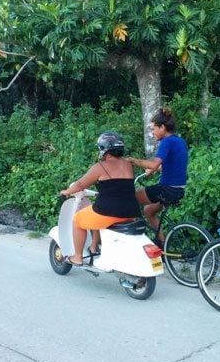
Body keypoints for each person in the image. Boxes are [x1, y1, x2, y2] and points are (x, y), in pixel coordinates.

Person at [59, 131, 141, 266]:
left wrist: (66, 192)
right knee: (93, 212)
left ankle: (77, 257)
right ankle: (93, 246)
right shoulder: (127, 164)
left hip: (108, 213)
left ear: (104, 150)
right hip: (130, 213)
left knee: (78, 220)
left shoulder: (100, 167)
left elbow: (80, 185)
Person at [127, 107, 189, 248]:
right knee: (149, 211)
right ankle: (161, 244)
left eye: (153, 129)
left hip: (166, 189)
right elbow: (170, 165)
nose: (152, 133)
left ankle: (135, 233)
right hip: (178, 190)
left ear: (162, 127)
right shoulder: (179, 141)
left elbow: (155, 164)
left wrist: (133, 160)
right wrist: (153, 170)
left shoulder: (167, 142)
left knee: (131, 197)